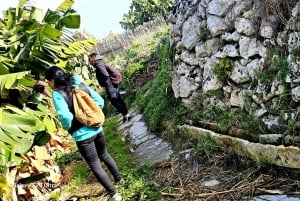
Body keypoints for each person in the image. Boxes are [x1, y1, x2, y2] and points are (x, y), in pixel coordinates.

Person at [44, 66, 123, 201]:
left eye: (48, 82)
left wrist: (69, 128)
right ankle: (119, 180)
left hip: (82, 136)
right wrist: (91, 117)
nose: (49, 85)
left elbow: (66, 117)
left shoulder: (57, 94)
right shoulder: (77, 81)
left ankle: (114, 195)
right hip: (97, 128)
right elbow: (100, 101)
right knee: (104, 154)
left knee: (95, 164)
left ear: (52, 80)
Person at [88, 53, 131, 123]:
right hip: (111, 83)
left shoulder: (97, 63)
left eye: (89, 59)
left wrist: (106, 81)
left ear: (93, 58)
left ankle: (126, 114)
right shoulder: (99, 62)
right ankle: (126, 114)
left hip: (109, 83)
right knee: (118, 99)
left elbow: (105, 74)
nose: (89, 61)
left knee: (114, 100)